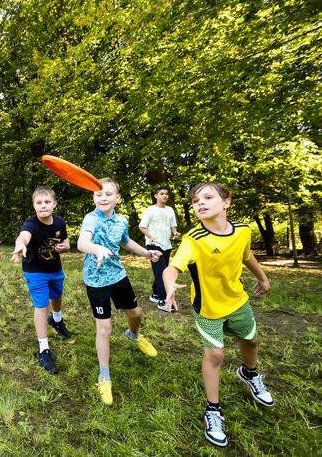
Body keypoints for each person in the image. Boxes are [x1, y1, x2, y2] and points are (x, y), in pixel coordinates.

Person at [162, 182, 273, 448]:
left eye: (207, 197)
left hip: (238, 302)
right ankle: (213, 410)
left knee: (252, 341)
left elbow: (247, 256)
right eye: (194, 201)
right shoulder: (194, 239)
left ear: (226, 202)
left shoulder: (244, 231)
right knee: (215, 354)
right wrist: (169, 284)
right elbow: (172, 268)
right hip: (208, 308)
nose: (199, 203)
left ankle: (249, 373)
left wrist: (263, 278)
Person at [77, 178, 161, 405]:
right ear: (93, 198)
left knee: (135, 314)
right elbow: (82, 243)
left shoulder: (121, 220)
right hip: (96, 280)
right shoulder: (91, 218)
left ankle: (133, 335)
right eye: (98, 194)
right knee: (104, 327)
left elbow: (125, 242)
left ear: (117, 198)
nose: (102, 198)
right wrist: (97, 249)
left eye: (108, 194)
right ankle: (104, 376)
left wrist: (146, 253)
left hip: (118, 276)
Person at [12, 186, 71, 374]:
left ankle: (57, 320)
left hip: (55, 269)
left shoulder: (60, 223)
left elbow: (67, 241)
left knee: (57, 296)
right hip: (35, 271)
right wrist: (20, 245)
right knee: (41, 305)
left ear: (54, 204)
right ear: (34, 205)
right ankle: (43, 348)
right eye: (39, 203)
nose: (43, 206)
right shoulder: (31, 224)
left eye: (47, 202)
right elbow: (23, 236)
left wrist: (65, 247)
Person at [138, 186, 180, 312]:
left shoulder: (170, 210)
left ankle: (155, 294)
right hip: (154, 245)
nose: (165, 196)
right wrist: (150, 236)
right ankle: (163, 300)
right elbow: (142, 226)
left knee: (164, 271)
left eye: (166, 194)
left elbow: (173, 226)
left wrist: (175, 233)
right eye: (162, 193)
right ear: (156, 196)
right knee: (161, 273)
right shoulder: (150, 210)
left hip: (166, 245)